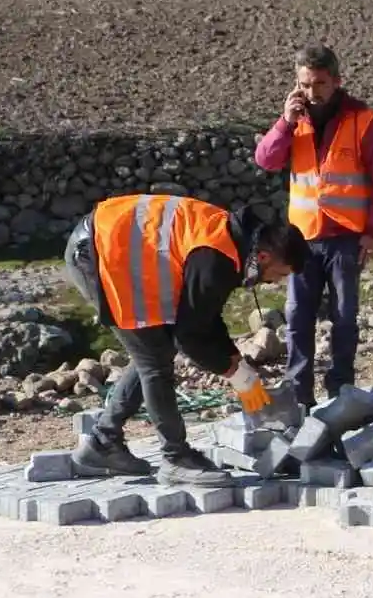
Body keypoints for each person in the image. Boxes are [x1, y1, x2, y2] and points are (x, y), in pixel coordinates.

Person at [63, 193, 308, 487]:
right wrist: (234, 373)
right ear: (265, 256)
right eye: (279, 274)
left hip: (121, 251)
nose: (275, 282)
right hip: (100, 253)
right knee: (155, 360)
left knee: (153, 354)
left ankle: (103, 444)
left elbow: (205, 315)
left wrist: (234, 360)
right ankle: (175, 458)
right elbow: (189, 339)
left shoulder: (235, 246)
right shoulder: (216, 256)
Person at [256, 45, 373, 409]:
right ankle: (298, 394)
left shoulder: (362, 120)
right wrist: (284, 122)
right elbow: (267, 160)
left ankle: (341, 390)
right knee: (297, 318)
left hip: (346, 238)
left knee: (344, 319)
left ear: (336, 81)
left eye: (319, 83)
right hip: (303, 240)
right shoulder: (294, 120)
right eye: (304, 83)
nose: (311, 92)